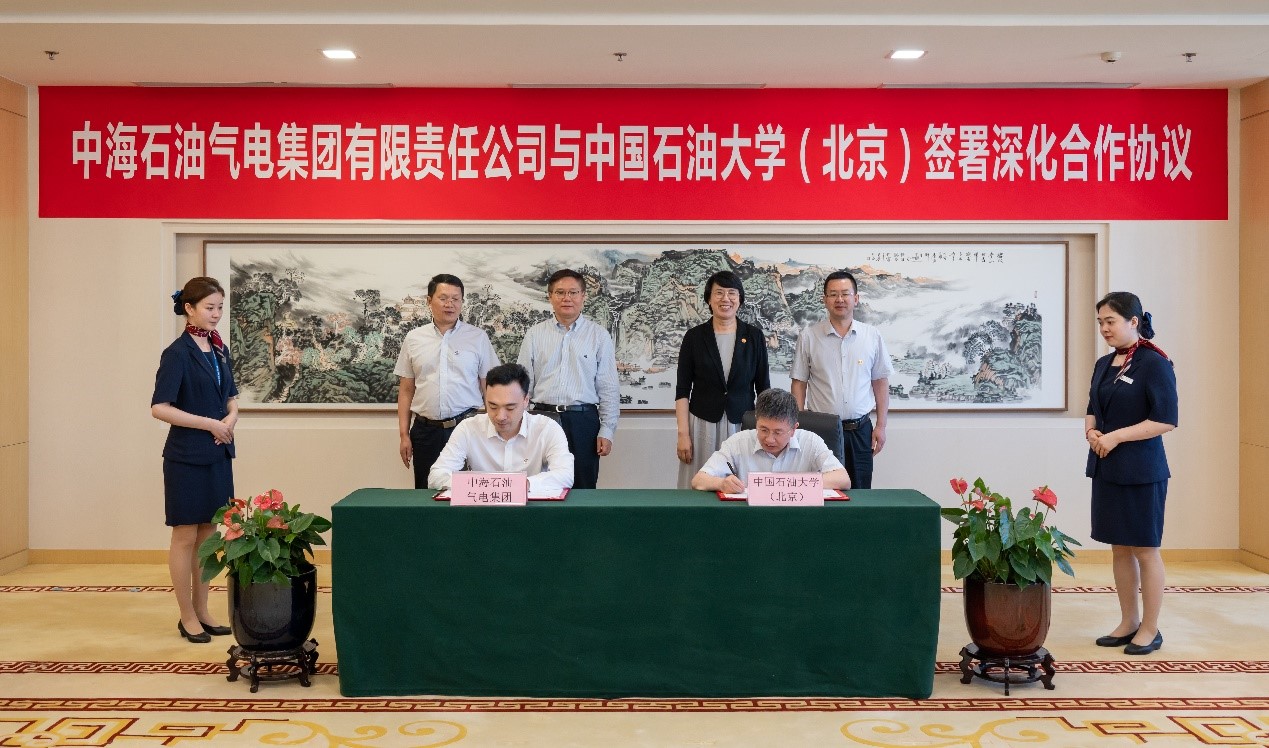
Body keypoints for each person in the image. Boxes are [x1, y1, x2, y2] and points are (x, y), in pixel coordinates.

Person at [1086, 291, 1178, 656]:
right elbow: (1092, 406)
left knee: (1145, 549)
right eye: (1100, 323)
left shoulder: (1154, 363)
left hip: (1142, 470)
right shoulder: (1103, 364)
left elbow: (1166, 419)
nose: (1104, 329)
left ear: (1133, 321)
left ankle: (1151, 629)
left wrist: (1116, 437)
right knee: (1120, 548)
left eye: (1110, 321)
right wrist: (1092, 432)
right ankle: (1129, 622)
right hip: (1107, 466)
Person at [150, 277, 238, 644]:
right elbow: (159, 408)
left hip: (217, 454)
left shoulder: (219, 348)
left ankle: (203, 611)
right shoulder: (177, 353)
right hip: (185, 457)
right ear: (189, 308)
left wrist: (230, 418)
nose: (216, 314)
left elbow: (231, 397)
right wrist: (210, 424)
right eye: (209, 308)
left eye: (220, 308)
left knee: (209, 535)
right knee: (185, 534)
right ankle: (187, 616)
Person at [517, 269, 620, 489]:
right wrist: (519, 425)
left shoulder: (598, 335)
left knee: (583, 486)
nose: (567, 298)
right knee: (539, 484)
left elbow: (608, 387)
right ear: (550, 296)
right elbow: (522, 386)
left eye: (573, 292)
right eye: (560, 292)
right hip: (542, 418)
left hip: (583, 421)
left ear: (583, 296)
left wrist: (607, 430)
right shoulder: (534, 334)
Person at [790, 270, 894, 489]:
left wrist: (881, 426)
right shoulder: (809, 336)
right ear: (824, 299)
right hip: (821, 430)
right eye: (833, 294)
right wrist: (798, 427)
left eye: (845, 293)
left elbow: (880, 383)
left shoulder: (871, 336)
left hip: (861, 430)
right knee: (821, 492)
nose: (840, 299)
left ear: (856, 298)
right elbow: (799, 383)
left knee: (860, 492)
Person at [394, 274, 499, 488]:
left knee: (469, 491)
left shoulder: (477, 337)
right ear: (429, 300)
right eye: (443, 298)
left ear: (462, 302)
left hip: (467, 427)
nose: (450, 304)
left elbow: (488, 387)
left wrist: (494, 430)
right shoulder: (414, 338)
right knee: (426, 492)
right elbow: (406, 390)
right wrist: (404, 435)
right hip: (425, 431)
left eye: (455, 299)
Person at [675, 270, 771, 489]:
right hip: (702, 426)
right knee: (701, 483)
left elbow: (763, 389)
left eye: (731, 293)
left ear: (740, 299)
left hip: (742, 425)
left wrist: (766, 431)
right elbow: (682, 391)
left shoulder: (754, 336)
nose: (725, 298)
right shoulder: (694, 337)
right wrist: (683, 434)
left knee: (741, 484)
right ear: (709, 299)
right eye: (719, 293)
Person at [428, 363, 575, 495]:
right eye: (492, 406)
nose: (500, 416)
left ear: (526, 401)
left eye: (510, 408)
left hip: (530, 510)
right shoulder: (468, 428)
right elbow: (436, 475)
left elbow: (565, 474)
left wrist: (522, 485)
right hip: (481, 509)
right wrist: (482, 486)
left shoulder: (547, 428)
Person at [691, 388, 850, 493]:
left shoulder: (810, 441)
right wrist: (721, 484)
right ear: (756, 421)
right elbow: (699, 480)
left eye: (778, 432)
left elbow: (843, 479)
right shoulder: (738, 442)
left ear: (793, 429)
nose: (769, 439)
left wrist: (790, 484)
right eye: (763, 429)